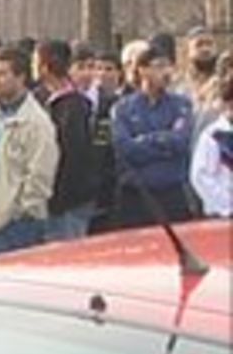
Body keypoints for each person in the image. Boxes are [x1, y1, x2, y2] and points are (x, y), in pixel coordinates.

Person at [0, 47, 59, 258]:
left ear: (21, 77)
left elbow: (40, 176)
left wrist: (20, 212)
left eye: (2, 74)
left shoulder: (36, 122)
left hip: (14, 226)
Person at [112, 45, 195, 227]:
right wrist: (163, 140)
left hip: (171, 193)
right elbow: (126, 149)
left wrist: (145, 139)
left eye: (168, 66)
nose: (165, 72)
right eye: (158, 66)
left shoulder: (181, 105)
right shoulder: (123, 108)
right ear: (142, 70)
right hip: (136, 197)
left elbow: (180, 141)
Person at [34, 40, 97, 241]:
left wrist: (57, 199)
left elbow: (73, 156)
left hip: (68, 201)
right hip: (48, 198)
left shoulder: (74, 106)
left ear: (45, 66)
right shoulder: (39, 99)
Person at [89, 50, 124, 233]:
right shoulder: (89, 103)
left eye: (109, 69)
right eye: (98, 69)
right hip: (96, 177)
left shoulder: (125, 102)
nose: (103, 74)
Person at [190, 70, 232, 218]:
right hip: (223, 213)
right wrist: (227, 204)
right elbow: (200, 175)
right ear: (228, 103)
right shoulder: (214, 135)